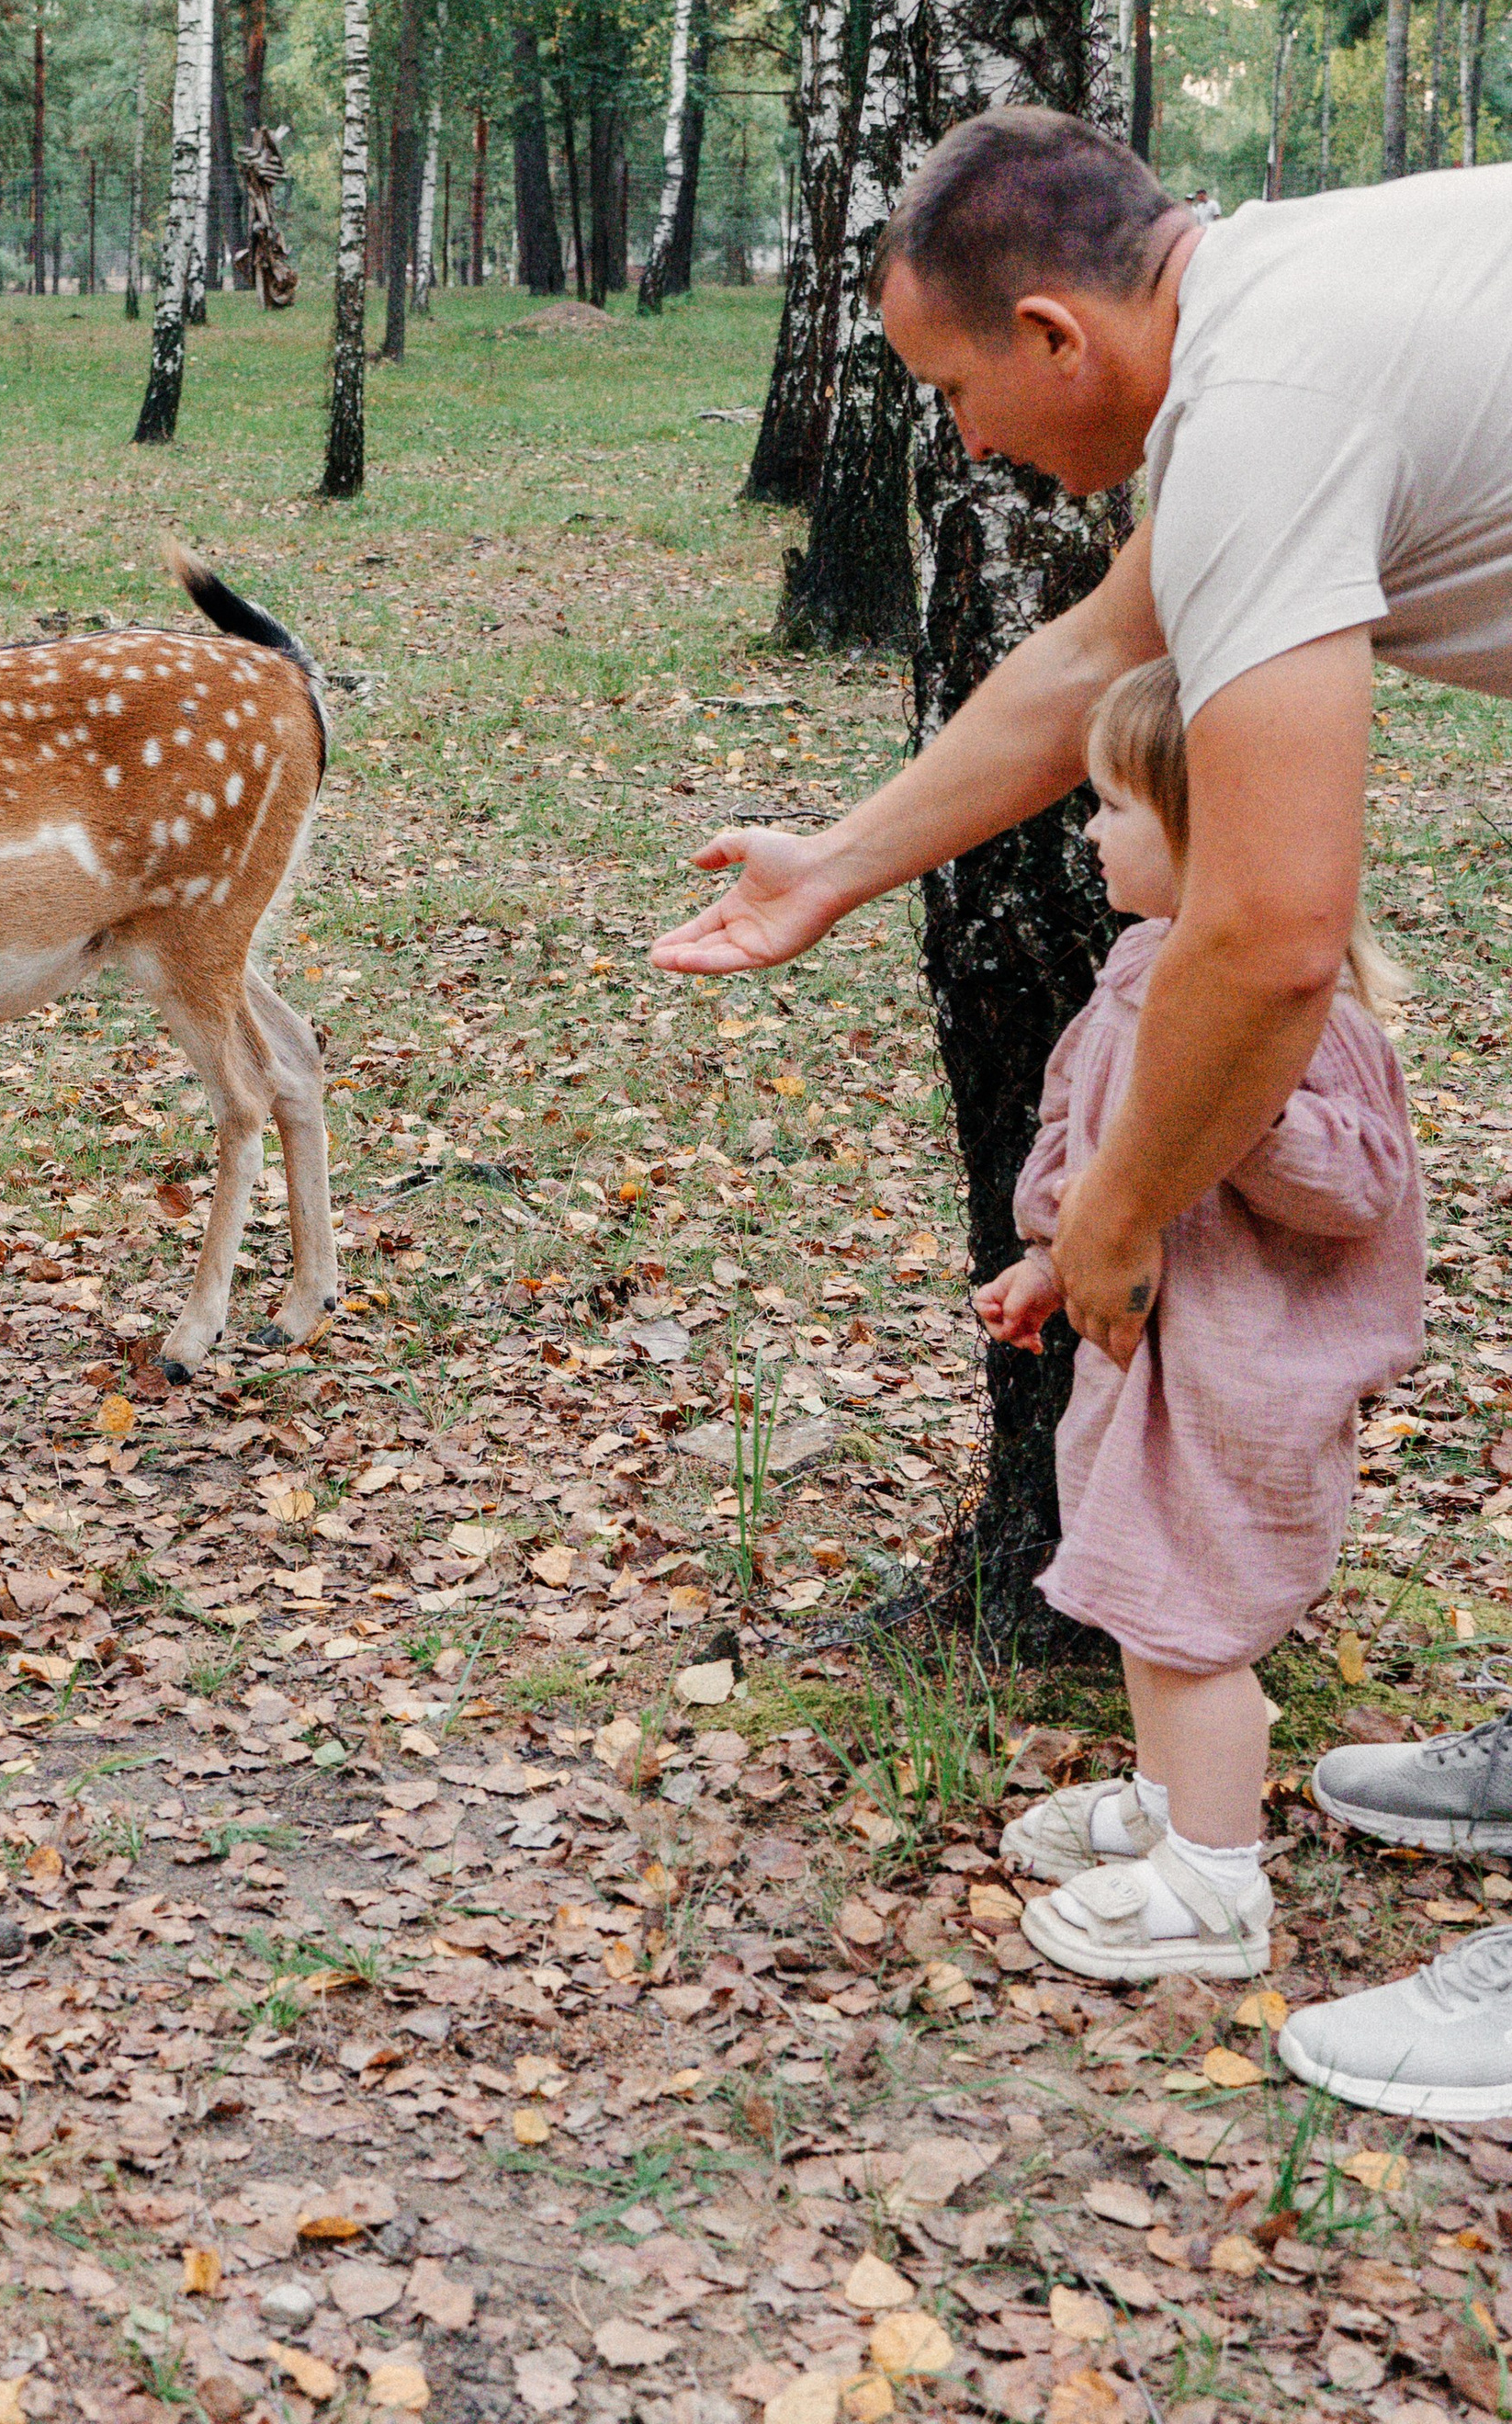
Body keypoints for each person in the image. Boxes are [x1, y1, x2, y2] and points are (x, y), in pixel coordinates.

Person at [650, 107, 1512, 2110]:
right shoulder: (1268, 307)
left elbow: (1272, 930)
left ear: (1050, 331)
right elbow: (1091, 659)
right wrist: (837, 861)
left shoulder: (1271, 396)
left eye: (952, 391)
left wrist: (1112, 1215)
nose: (955, 444)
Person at [976, 657, 1422, 1984]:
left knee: (1194, 1624)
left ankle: (1216, 1889)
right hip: (1145, 1367)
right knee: (1143, 1598)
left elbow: (1360, 1185)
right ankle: (1173, 1812)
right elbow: (1085, 1127)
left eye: (1115, 806)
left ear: (1210, 830)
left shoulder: (1297, 1015)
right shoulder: (1136, 968)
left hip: (1241, 1381)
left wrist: (1245, 1109)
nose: (1091, 831)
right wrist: (1053, 1254)